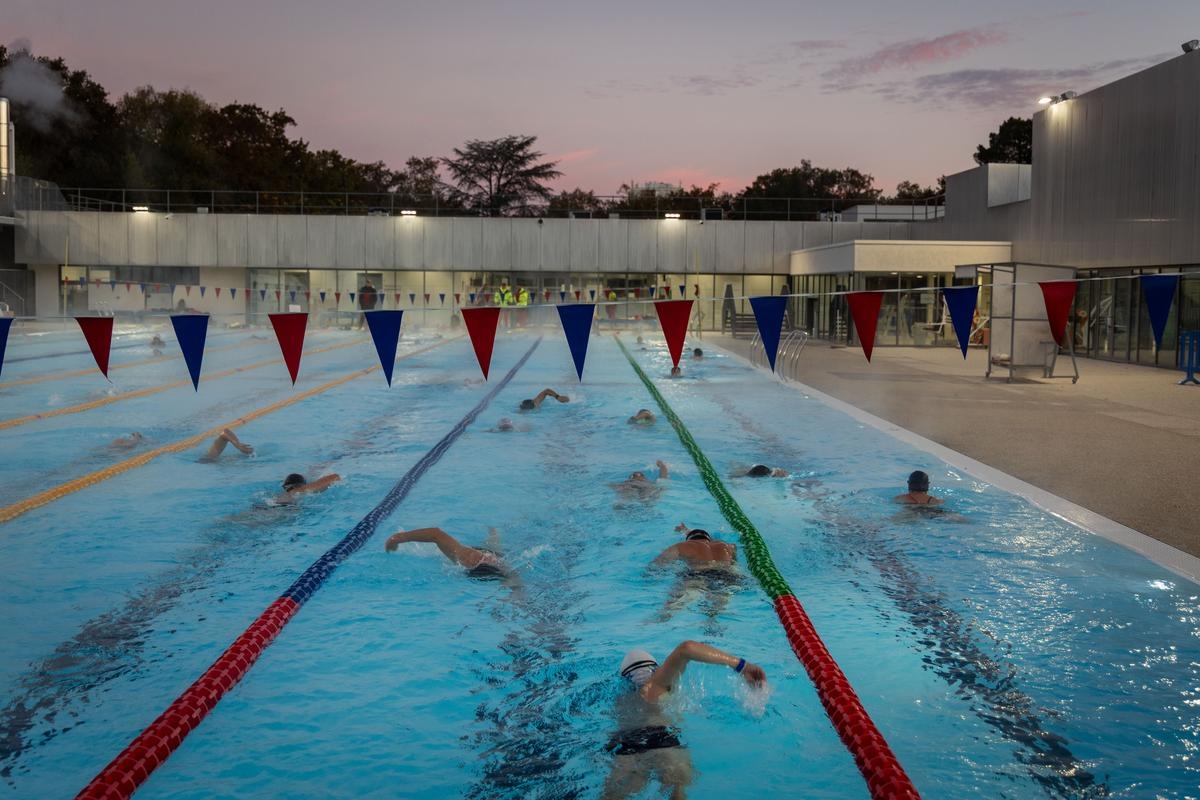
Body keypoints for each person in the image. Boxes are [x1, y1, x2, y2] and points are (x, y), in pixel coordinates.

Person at [602, 641, 766, 799]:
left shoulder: (620, 701)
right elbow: (686, 648)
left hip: (625, 744)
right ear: (654, 669)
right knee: (677, 789)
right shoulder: (656, 685)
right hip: (661, 739)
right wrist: (742, 666)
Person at [652, 524, 743, 625]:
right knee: (717, 610)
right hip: (726, 576)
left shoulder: (681, 546)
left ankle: (651, 623)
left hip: (698, 575)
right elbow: (734, 566)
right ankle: (712, 624)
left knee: (671, 608)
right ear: (709, 539)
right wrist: (686, 530)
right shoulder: (729, 546)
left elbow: (656, 565)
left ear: (688, 539)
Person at [384, 526, 517, 584]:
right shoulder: (467, 555)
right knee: (493, 539)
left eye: (482, 558)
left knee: (494, 542)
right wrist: (399, 537)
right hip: (497, 559)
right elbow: (435, 533)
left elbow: (435, 534)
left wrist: (398, 538)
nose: (478, 554)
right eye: (483, 556)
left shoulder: (465, 558)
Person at [275, 471, 341, 505]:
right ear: (300, 485)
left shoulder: (280, 495)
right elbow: (334, 477)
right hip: (279, 512)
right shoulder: (297, 490)